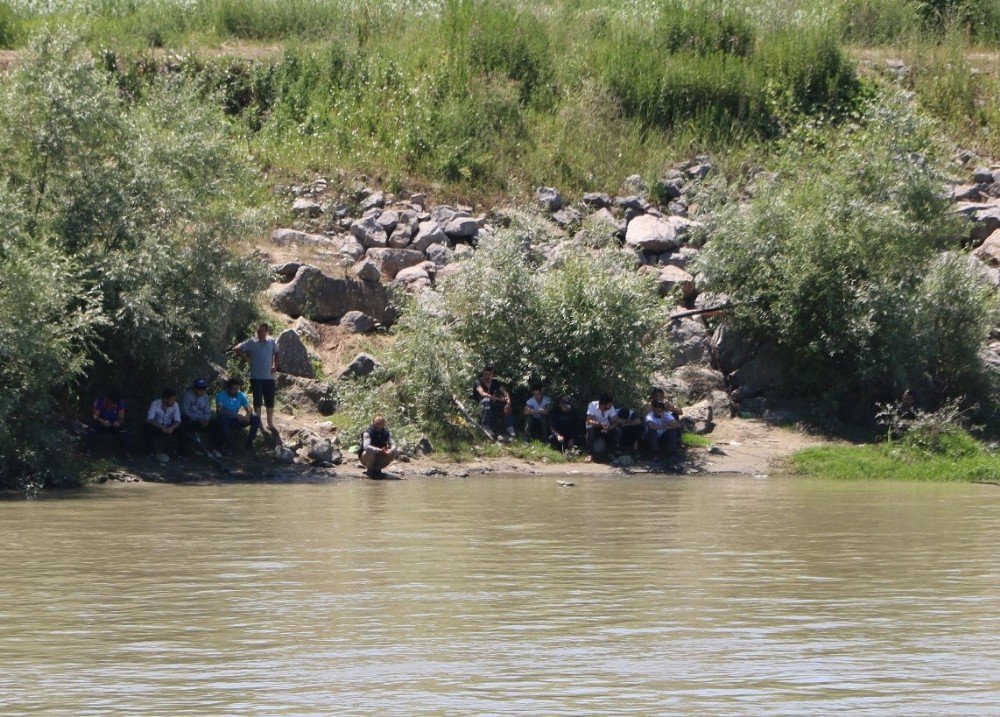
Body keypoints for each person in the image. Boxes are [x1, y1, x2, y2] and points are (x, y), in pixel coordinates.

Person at [234, 323, 280, 434]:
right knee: (258, 402)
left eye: (262, 331)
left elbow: (277, 353)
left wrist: (275, 365)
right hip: (256, 378)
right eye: (259, 331)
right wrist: (246, 358)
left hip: (269, 378)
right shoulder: (252, 342)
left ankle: (270, 424)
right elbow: (236, 348)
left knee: (270, 402)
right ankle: (259, 424)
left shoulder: (271, 342)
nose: (260, 333)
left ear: (266, 331)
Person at [215, 377, 261, 452]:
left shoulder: (241, 395)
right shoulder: (221, 395)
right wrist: (235, 414)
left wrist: (248, 416)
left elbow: (249, 408)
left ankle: (248, 443)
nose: (236, 391)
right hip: (225, 420)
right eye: (233, 389)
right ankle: (229, 445)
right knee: (222, 418)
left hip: (235, 420)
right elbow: (219, 410)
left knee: (255, 417)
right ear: (228, 388)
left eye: (237, 388)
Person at [473, 364, 515, 440]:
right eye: (486, 374)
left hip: (491, 404)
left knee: (506, 405)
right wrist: (498, 399)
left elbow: (505, 393)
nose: (487, 376)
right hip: (480, 406)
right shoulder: (478, 382)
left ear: (492, 374)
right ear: (483, 373)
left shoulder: (495, 382)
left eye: (490, 374)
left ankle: (510, 429)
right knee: (486, 400)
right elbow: (483, 394)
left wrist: (508, 403)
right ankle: (486, 426)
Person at [84, 391, 130, 456]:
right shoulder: (100, 400)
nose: (115, 405)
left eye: (116, 404)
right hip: (101, 423)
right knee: (91, 429)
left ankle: (127, 453)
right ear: (109, 400)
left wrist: (118, 422)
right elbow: (95, 416)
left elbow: (121, 418)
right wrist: (102, 421)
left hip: (114, 424)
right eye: (113, 403)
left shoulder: (120, 402)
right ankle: (88, 450)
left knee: (125, 430)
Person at [144, 388, 183, 460]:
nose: (173, 402)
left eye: (174, 400)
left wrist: (172, 428)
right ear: (165, 399)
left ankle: (180, 454)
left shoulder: (175, 405)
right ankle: (149, 453)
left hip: (168, 427)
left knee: (181, 429)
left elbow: (178, 421)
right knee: (148, 427)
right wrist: (161, 427)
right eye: (171, 400)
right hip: (157, 426)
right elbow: (150, 419)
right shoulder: (155, 403)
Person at [181, 379, 215, 453]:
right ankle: (195, 444)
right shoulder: (188, 396)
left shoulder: (205, 397)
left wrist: (206, 419)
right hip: (192, 420)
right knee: (185, 420)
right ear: (195, 388)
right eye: (200, 389)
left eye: (204, 389)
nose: (202, 391)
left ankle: (214, 449)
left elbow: (208, 412)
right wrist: (197, 418)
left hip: (202, 421)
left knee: (215, 424)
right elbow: (185, 411)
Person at [585, 393, 621, 462]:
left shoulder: (611, 407)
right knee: (590, 431)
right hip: (594, 427)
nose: (611, 405)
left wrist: (610, 427)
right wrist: (599, 424)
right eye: (609, 404)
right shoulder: (592, 405)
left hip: (605, 427)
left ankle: (611, 452)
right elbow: (589, 421)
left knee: (617, 431)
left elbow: (615, 420)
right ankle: (590, 454)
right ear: (603, 404)